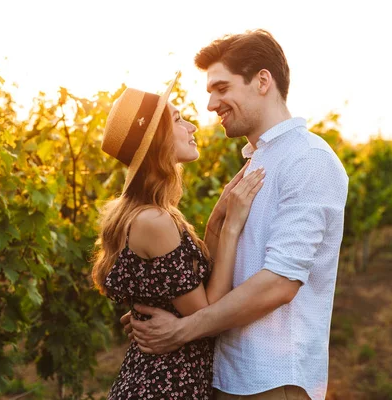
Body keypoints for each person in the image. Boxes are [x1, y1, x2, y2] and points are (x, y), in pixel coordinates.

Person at [124, 30, 349, 400]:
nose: (211, 104)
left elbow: (280, 283)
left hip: (273, 380)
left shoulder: (308, 159)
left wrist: (181, 330)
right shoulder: (259, 160)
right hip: (225, 374)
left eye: (222, 88)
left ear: (262, 81)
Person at [92, 73, 265, 399]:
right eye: (178, 119)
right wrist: (231, 226)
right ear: (158, 140)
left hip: (156, 380)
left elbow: (186, 289)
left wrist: (219, 213)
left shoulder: (151, 212)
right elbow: (206, 311)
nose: (192, 127)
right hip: (164, 386)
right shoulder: (153, 220)